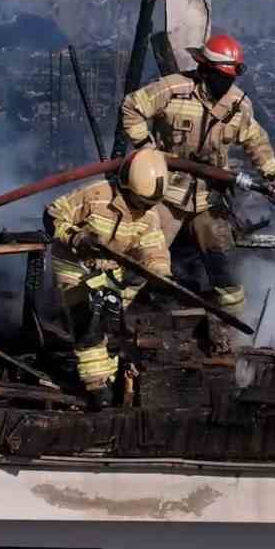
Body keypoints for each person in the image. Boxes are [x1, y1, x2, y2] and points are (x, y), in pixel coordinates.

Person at [119, 34, 275, 311]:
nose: (224, 85)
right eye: (219, 77)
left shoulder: (238, 105)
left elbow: (256, 141)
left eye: (229, 79)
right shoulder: (174, 89)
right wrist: (146, 150)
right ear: (203, 68)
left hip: (208, 198)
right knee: (142, 256)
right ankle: (109, 316)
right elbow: (132, 106)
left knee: (222, 260)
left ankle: (233, 324)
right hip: (164, 194)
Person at [45, 148, 171, 407]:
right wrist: (76, 237)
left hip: (111, 270)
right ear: (127, 186)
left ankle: (115, 374)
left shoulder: (149, 215)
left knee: (111, 323)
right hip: (74, 265)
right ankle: (97, 386)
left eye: (149, 205)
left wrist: (161, 274)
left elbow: (153, 249)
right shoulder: (96, 195)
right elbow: (53, 214)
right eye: (140, 202)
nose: (143, 209)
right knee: (88, 320)